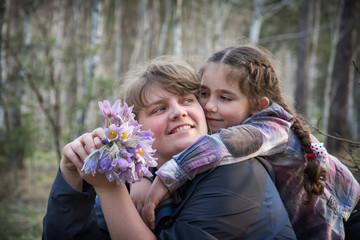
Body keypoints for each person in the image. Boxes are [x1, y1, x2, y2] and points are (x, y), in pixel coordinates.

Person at [42, 57, 296, 239]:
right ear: (134, 129)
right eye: (160, 109)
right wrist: (71, 178)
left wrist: (109, 190)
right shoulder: (133, 180)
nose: (179, 112)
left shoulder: (237, 175)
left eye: (187, 99)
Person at [141, 46, 360, 239]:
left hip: (347, 219)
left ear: (258, 105)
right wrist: (139, 177)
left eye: (224, 98)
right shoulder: (222, 120)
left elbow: (223, 145)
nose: (209, 105)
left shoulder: (271, 126)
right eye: (204, 93)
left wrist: (168, 177)